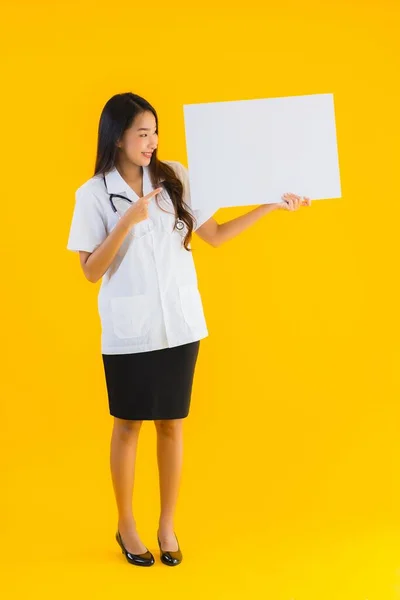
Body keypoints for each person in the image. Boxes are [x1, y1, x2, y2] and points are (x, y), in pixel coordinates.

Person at [66, 92, 311, 567]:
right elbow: (90, 271)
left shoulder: (174, 177)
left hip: (178, 327)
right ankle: (127, 526)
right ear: (118, 137)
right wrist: (125, 222)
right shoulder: (93, 193)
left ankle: (166, 525)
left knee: (172, 426)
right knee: (128, 426)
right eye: (142, 133)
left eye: (155, 132)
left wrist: (270, 206)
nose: (152, 141)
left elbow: (214, 236)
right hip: (129, 331)